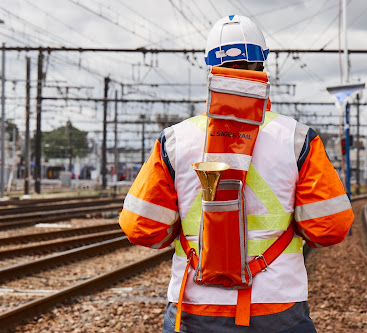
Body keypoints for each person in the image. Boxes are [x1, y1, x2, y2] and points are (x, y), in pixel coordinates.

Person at [119, 15, 354, 333]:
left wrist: (185, 234)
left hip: (194, 306)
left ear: (209, 68)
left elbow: (142, 228)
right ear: (262, 65)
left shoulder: (175, 140)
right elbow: (330, 228)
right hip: (278, 305)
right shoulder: (297, 138)